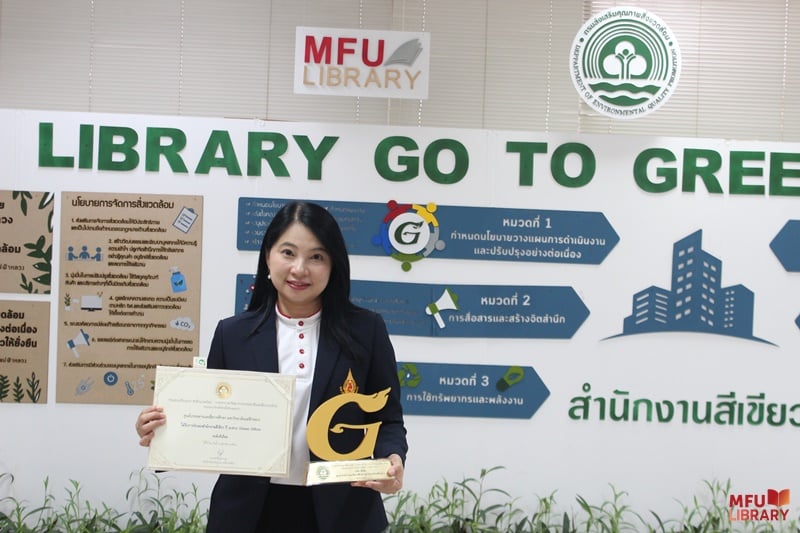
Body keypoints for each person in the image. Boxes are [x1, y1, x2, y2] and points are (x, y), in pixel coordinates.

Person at [135, 201, 408, 532]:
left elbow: (388, 419)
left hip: (343, 512)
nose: (299, 269)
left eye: (316, 257)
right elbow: (209, 421)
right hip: (248, 515)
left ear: (334, 265)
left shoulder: (366, 331)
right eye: (288, 253)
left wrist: (392, 460)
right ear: (268, 256)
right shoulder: (232, 334)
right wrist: (161, 432)